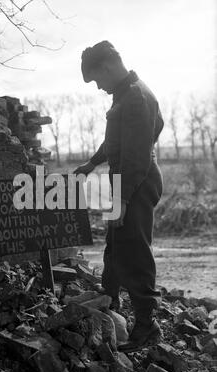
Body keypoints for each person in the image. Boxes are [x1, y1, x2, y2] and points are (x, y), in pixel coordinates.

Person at [74, 41, 164, 352]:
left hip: (135, 183)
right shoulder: (125, 95)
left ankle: (146, 324)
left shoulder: (136, 96)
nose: (98, 87)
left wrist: (123, 199)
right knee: (116, 242)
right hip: (124, 181)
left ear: (107, 67)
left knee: (134, 249)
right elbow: (116, 139)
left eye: (97, 79)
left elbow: (138, 155)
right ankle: (108, 299)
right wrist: (92, 163)